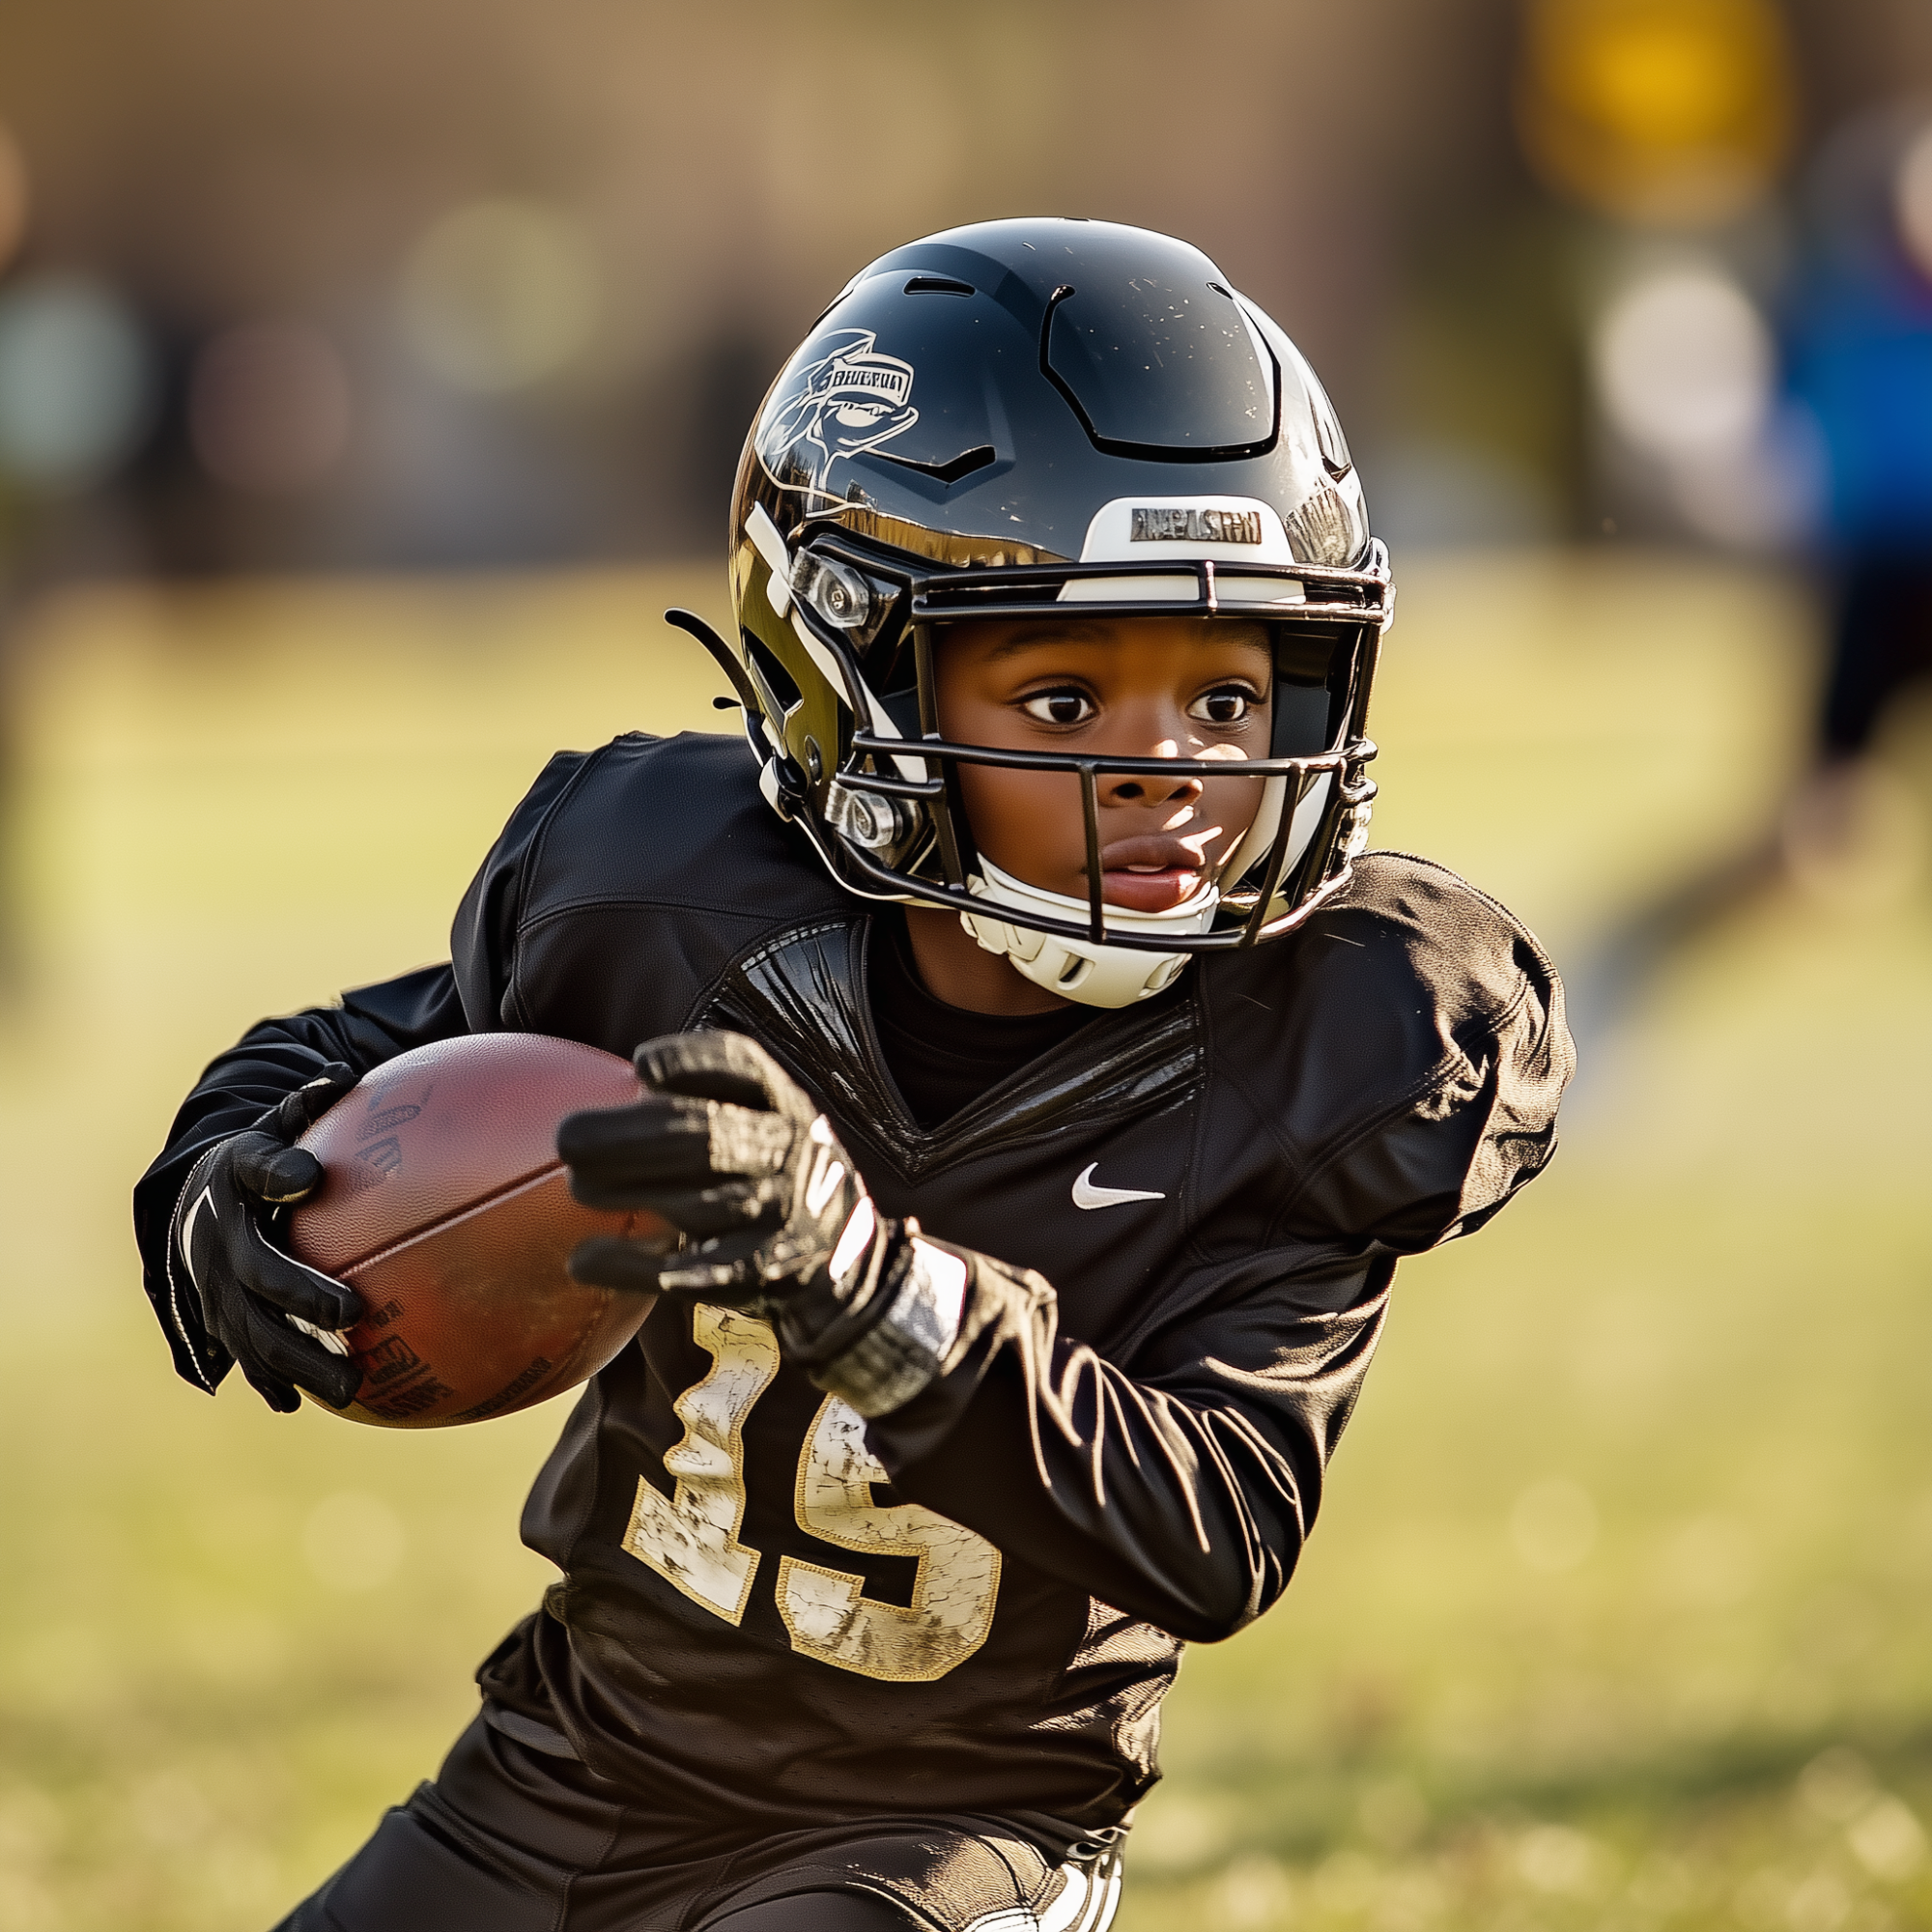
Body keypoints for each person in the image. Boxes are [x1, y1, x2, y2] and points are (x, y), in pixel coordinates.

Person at [132, 218, 1572, 1932]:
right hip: (577, 1762)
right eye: (1060, 695)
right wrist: (227, 1181)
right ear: (850, 673)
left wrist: (869, 1288)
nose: (1172, 769)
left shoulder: (1323, 1040)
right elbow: (351, 1058)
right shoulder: (668, 908)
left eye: (1227, 692)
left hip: (941, 1832)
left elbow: (1218, 1526)